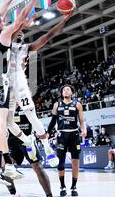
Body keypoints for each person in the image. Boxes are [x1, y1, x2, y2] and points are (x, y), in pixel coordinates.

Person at [0, 0, 49, 184]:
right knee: (1, 123)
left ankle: (8, 165)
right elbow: (20, 18)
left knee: (3, 123)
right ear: (0, 24)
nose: (4, 21)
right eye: (3, 20)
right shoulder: (3, 34)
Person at [6, 12, 73, 167]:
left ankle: (48, 148)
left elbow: (48, 36)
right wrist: (22, 23)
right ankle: (27, 140)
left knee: (31, 115)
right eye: (19, 32)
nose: (21, 35)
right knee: (8, 122)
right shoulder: (4, 44)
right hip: (5, 85)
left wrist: (64, 20)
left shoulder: (26, 48)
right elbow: (11, 29)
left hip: (19, 81)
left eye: (23, 34)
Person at [2, 131, 58, 197]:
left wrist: (45, 141)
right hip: (12, 141)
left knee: (37, 167)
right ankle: (14, 195)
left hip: (26, 139)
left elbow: (34, 120)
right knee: (5, 169)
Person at [47, 85, 86, 197]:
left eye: (68, 89)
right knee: (60, 162)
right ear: (61, 93)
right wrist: (47, 132)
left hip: (74, 135)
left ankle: (74, 186)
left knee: (75, 161)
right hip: (61, 135)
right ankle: (62, 186)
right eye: (64, 89)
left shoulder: (77, 104)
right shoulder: (56, 105)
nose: (66, 90)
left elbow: (82, 120)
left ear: (72, 93)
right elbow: (53, 121)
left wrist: (83, 129)